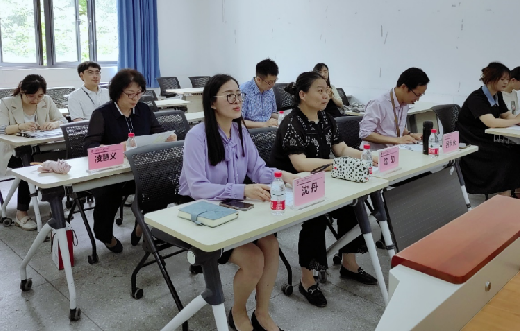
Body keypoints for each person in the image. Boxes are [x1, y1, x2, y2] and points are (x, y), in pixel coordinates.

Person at [180, 74, 296, 331]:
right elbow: (198, 188)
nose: (237, 101)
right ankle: (238, 312)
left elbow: (258, 170)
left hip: (232, 206)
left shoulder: (240, 130)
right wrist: (243, 190)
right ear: (212, 102)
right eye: (229, 95)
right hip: (202, 213)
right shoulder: (197, 136)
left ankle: (262, 313)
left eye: (238, 95)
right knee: (253, 259)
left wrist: (286, 176)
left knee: (271, 244)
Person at [269, 71, 380, 308]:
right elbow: (300, 164)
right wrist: (336, 164)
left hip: (319, 178)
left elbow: (341, 149)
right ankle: (307, 279)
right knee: (316, 217)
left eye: (327, 90)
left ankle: (349, 264)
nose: (326, 95)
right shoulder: (292, 122)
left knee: (352, 205)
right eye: (320, 90)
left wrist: (367, 157)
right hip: (290, 185)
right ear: (302, 94)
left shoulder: (326, 119)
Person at [84, 69, 177, 253]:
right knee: (107, 193)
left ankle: (142, 225)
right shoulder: (102, 114)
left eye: (139, 93)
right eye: (130, 94)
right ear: (117, 92)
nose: (135, 98)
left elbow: (157, 131)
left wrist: (167, 137)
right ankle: (104, 235)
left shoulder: (143, 110)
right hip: (113, 173)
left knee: (164, 184)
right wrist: (118, 148)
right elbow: (90, 147)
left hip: (140, 169)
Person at [0, 74, 66, 230]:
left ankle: (56, 206)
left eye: (40, 96)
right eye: (31, 96)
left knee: (57, 162)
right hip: (14, 152)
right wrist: (20, 127)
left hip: (42, 148)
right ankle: (21, 212)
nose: (36, 100)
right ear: (22, 91)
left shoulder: (46, 100)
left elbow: (63, 120)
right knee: (27, 166)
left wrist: (53, 124)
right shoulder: (8, 103)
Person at [456, 62, 520, 197]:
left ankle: (518, 190)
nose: (506, 82)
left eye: (507, 79)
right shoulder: (477, 97)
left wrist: (519, 119)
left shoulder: (497, 95)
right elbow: (491, 122)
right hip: (472, 140)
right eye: (502, 79)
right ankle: (504, 194)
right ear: (491, 79)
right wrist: (516, 120)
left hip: (486, 136)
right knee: (505, 155)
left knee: (516, 150)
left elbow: (506, 114)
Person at [359, 68, 429, 151]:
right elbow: (365, 134)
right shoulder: (378, 104)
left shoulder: (405, 103)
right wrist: (397, 140)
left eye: (420, 95)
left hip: (394, 151)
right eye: (417, 94)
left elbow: (395, 126)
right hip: (375, 154)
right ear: (404, 87)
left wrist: (411, 134)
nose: (417, 99)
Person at [240, 58, 279, 129]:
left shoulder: (270, 91)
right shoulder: (243, 91)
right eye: (270, 82)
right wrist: (264, 124)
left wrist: (284, 117)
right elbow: (239, 121)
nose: (273, 85)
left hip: (269, 128)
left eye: (275, 81)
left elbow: (273, 113)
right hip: (251, 131)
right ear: (258, 79)